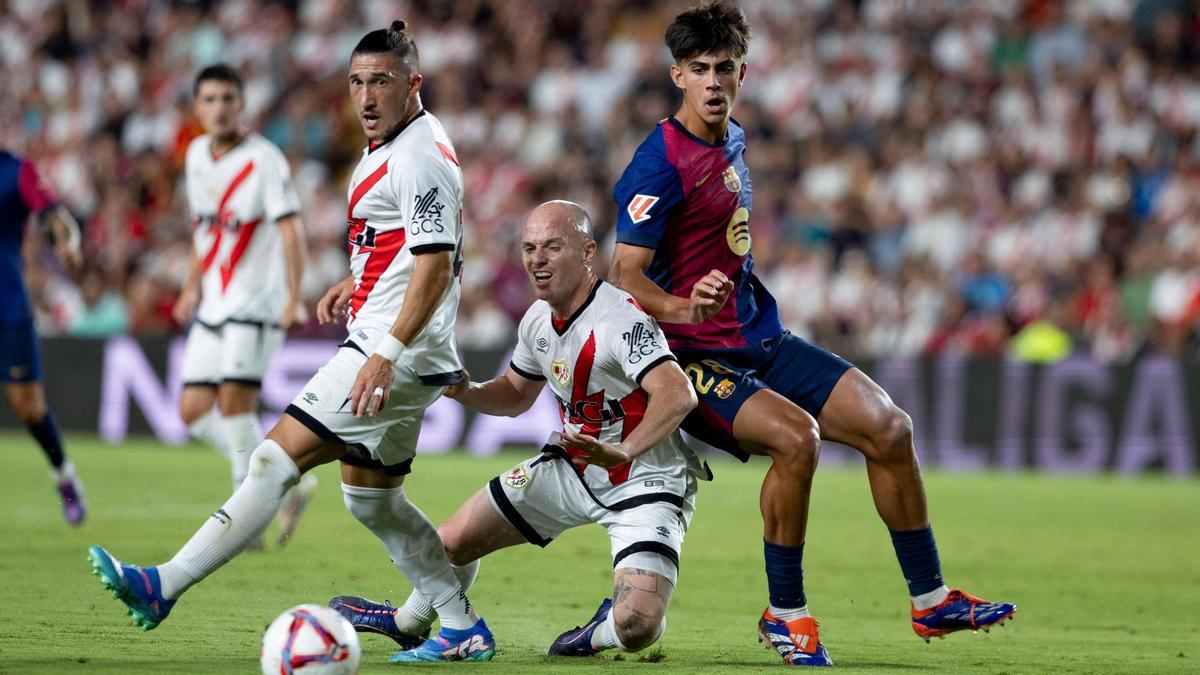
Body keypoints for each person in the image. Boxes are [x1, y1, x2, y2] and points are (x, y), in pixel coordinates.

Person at [607, 2, 1015, 666]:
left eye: (725, 68)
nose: (714, 81)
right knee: (798, 440)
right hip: (692, 357)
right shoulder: (659, 162)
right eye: (699, 69)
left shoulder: (732, 137)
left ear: (743, 72)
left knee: (891, 428)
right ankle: (785, 613)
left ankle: (931, 598)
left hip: (760, 336)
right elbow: (623, 274)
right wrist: (684, 308)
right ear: (677, 75)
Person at [87, 20, 496, 662]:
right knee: (373, 501)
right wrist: (358, 279)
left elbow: (437, 266)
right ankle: (458, 621)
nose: (366, 97)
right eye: (356, 82)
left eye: (381, 82)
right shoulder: (394, 143)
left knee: (272, 461)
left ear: (413, 83)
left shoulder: (419, 154)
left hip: (392, 351)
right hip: (400, 345)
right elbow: (410, 246)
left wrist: (385, 353)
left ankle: (163, 584)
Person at [330, 201, 703, 659]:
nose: (537, 259)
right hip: (573, 469)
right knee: (448, 544)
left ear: (587, 252)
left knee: (637, 625)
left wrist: (624, 450)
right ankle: (409, 622)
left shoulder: (620, 319)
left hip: (645, 479)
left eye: (552, 247)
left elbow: (678, 394)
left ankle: (598, 631)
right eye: (529, 248)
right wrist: (465, 390)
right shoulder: (537, 319)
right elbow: (515, 394)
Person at [173, 64, 315, 546]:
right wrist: (190, 287)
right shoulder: (196, 154)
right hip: (214, 301)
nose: (219, 108)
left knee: (236, 407)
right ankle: (286, 483)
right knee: (194, 411)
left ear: (242, 104)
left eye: (227, 99)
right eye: (209, 99)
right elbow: (204, 230)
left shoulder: (264, 159)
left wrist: (294, 297)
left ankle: (242, 526)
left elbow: (291, 230)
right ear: (197, 107)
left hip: (256, 301)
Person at [0, 148, 86, 525]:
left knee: (30, 408)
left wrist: (67, 242)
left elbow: (54, 216)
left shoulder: (18, 171)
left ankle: (63, 473)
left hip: (8, 307)